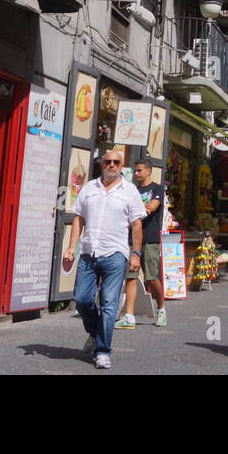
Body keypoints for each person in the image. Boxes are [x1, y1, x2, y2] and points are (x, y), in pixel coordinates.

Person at [63, 151, 146, 369]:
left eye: (116, 162)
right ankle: (95, 331)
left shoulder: (130, 191)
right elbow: (78, 218)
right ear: (101, 163)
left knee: (109, 305)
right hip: (89, 253)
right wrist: (71, 247)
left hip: (116, 255)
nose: (111, 165)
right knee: (81, 299)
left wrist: (136, 254)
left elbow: (137, 224)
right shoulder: (89, 188)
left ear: (121, 166)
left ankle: (102, 350)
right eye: (107, 161)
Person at [116, 160, 165, 329]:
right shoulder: (132, 190)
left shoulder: (157, 189)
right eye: (135, 171)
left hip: (150, 238)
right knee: (131, 276)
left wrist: (139, 208)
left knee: (151, 278)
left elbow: (151, 207)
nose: (136, 174)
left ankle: (161, 308)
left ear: (148, 171)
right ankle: (129, 316)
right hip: (132, 238)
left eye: (139, 171)